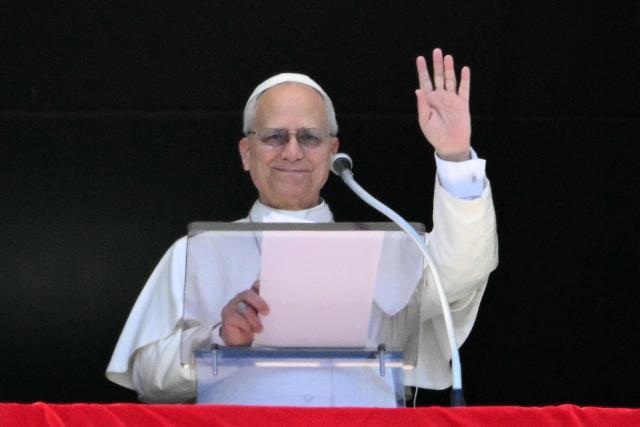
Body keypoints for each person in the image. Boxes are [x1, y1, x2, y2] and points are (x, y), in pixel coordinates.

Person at [106, 48, 498, 405]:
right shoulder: (196, 251)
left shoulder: (389, 247)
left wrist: (454, 156)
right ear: (247, 153)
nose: (292, 152)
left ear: (332, 152)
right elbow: (146, 378)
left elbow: (464, 270)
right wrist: (219, 340)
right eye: (275, 136)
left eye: (309, 137)